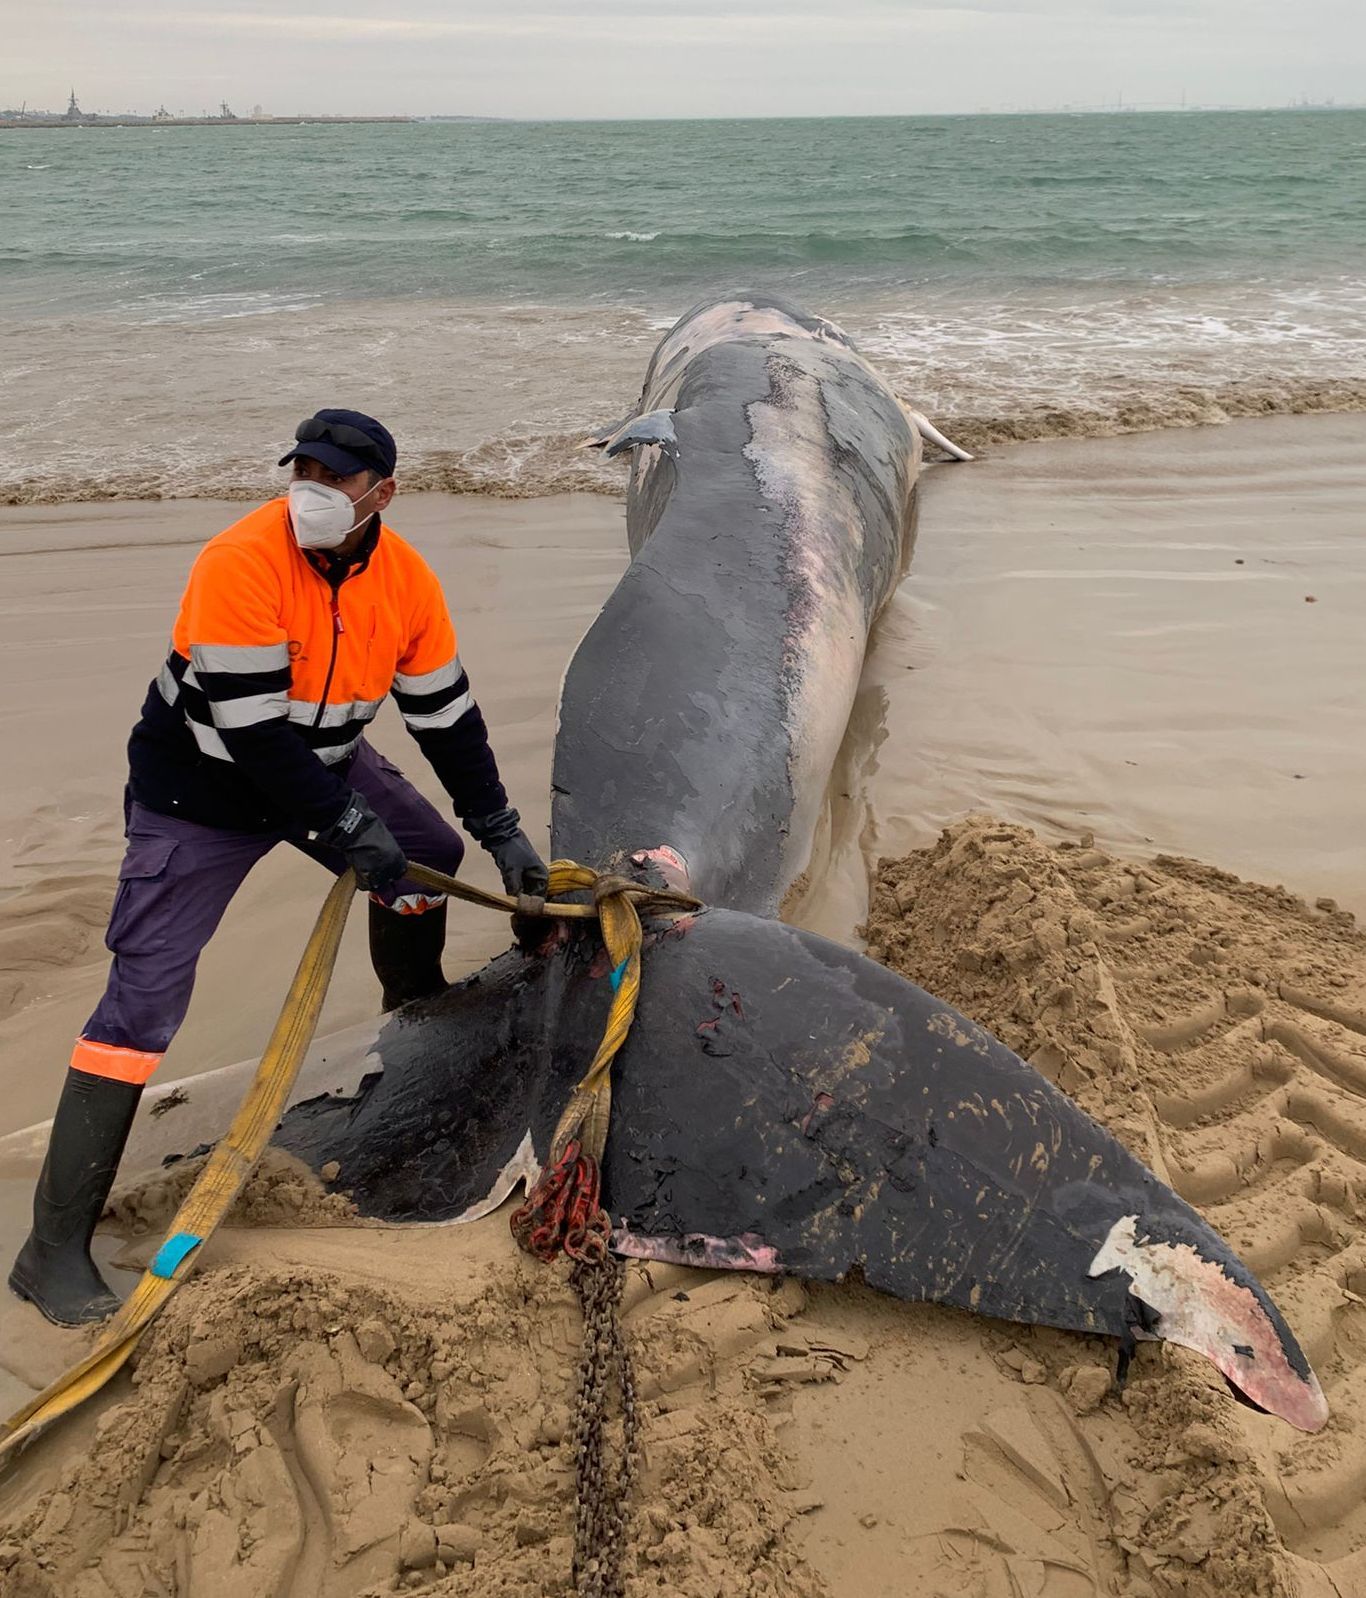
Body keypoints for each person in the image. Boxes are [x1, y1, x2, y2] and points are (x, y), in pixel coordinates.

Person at [9, 409, 549, 1327]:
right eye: (303, 468)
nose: (313, 490)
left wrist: (501, 829)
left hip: (324, 762)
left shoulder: (407, 582)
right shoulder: (240, 561)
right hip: (202, 794)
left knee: (428, 857)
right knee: (143, 1000)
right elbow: (254, 736)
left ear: (382, 494)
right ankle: (50, 1247)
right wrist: (347, 826)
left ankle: (408, 1024)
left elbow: (446, 717)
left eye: (336, 478)